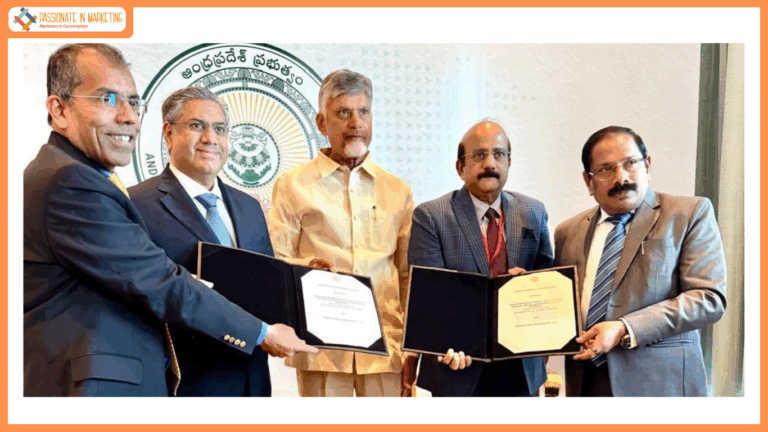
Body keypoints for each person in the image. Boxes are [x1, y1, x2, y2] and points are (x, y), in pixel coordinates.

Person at [23, 43, 316, 397]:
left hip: (245, 379)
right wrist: (262, 333)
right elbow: (159, 281)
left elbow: (265, 278)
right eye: (107, 99)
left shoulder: (248, 206)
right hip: (141, 385)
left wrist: (306, 281)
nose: (129, 116)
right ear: (59, 109)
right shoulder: (73, 183)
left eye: (133, 102)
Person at [269, 69, 414, 397]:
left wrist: (412, 348)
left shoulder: (398, 190)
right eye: (343, 113)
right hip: (321, 352)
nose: (356, 123)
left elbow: (408, 277)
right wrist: (307, 267)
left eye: (363, 112)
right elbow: (276, 262)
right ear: (322, 123)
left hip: (384, 352)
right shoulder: (293, 186)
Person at [555, 125, 726, 396]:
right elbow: (560, 302)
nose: (621, 177)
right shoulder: (567, 232)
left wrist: (626, 328)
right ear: (588, 182)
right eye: (605, 169)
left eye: (630, 163)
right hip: (586, 384)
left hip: (662, 387)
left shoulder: (689, 213)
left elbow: (709, 299)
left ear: (647, 165)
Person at [129, 87, 274, 396]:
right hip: (184, 384)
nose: (210, 138)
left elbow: (268, 287)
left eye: (220, 129)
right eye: (197, 126)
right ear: (168, 134)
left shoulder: (250, 207)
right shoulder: (135, 204)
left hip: (254, 381)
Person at [408, 120, 552, 396]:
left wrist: (531, 285)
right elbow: (429, 298)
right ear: (461, 167)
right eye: (478, 155)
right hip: (457, 366)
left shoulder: (534, 211)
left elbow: (547, 281)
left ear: (509, 162)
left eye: (499, 154)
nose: (490, 163)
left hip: (520, 368)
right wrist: (444, 345)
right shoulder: (431, 216)